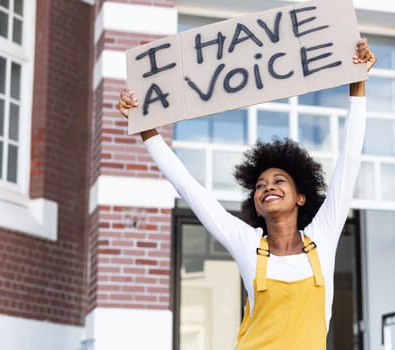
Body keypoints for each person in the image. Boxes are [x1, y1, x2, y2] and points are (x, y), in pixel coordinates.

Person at [118, 38, 376, 350]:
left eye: (279, 181)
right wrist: (147, 130)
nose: (268, 186)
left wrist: (357, 87)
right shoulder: (247, 243)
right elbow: (189, 188)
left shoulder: (323, 237)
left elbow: (348, 162)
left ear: (301, 197)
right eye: (260, 185)